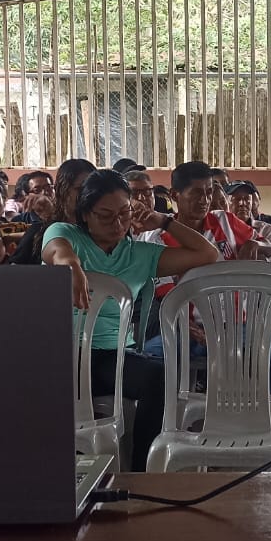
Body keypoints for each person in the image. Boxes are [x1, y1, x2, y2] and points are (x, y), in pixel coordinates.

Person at [43, 170, 218, 470]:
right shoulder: (67, 234)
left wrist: (164, 221)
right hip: (62, 356)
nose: (117, 223)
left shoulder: (140, 255)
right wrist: (70, 264)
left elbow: (207, 253)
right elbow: (57, 251)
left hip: (111, 358)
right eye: (105, 216)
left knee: (159, 376)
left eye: (124, 214)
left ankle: (140, 472)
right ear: (85, 214)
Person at [140, 161, 271, 395]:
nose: (205, 200)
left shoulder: (224, 221)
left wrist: (254, 244)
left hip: (237, 325)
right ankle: (173, 414)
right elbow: (166, 296)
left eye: (209, 192)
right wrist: (189, 328)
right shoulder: (159, 238)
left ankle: (260, 411)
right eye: (196, 193)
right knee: (150, 359)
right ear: (175, 195)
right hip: (188, 330)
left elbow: (268, 246)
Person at [11, 158, 96, 266]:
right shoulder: (39, 232)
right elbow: (13, 273)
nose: (89, 195)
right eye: (80, 189)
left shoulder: (104, 233)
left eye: (93, 190)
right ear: (62, 190)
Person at [225, 181, 271, 261]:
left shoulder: (266, 230)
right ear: (226, 203)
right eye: (237, 199)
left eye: (247, 199)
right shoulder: (219, 229)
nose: (243, 203)